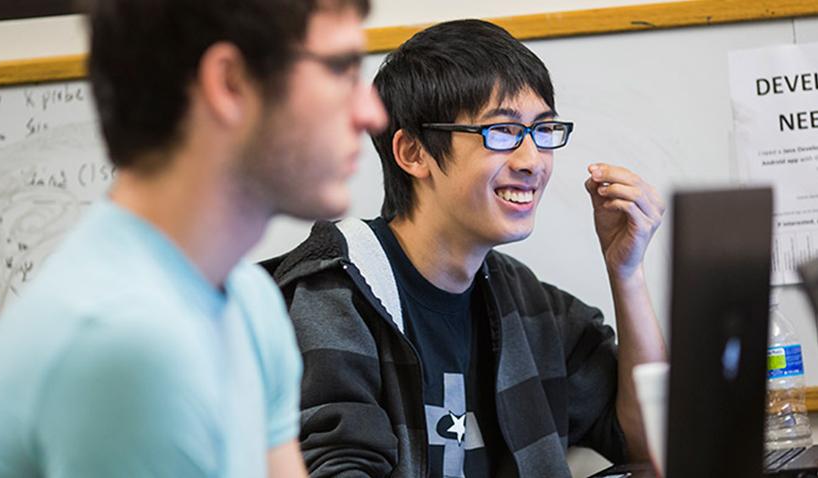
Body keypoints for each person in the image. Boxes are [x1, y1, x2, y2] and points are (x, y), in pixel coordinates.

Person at [0, 0, 386, 476]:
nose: (371, 113)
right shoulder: (130, 343)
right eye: (340, 69)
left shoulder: (248, 301)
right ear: (230, 84)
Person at [264, 19, 667, 478]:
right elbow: (339, 467)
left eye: (543, 130)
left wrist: (627, 271)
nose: (531, 160)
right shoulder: (338, 295)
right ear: (413, 152)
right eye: (501, 132)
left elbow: (651, 442)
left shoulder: (528, 304)